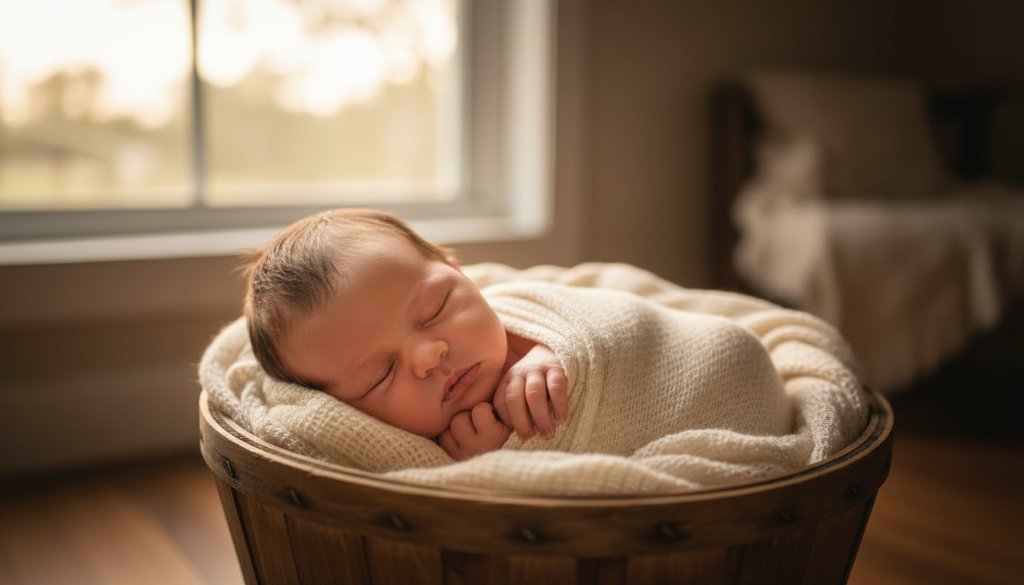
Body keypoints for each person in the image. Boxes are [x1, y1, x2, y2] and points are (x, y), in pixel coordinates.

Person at [242, 208, 568, 461]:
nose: (428, 357)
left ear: (459, 273)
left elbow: (607, 319)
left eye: (434, 310)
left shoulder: (531, 322)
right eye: (382, 374)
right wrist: (490, 467)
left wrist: (558, 348)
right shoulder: (410, 457)